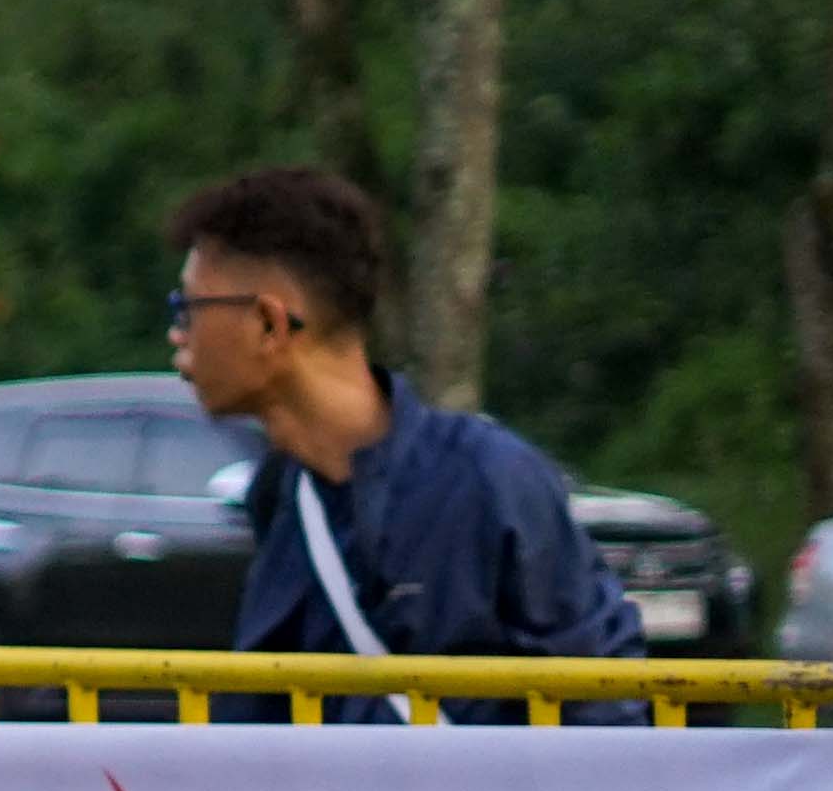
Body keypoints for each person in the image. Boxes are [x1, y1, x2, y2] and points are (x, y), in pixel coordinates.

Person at [168, 165, 636, 687]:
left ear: (268, 324)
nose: (176, 334)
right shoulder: (280, 495)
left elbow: (603, 700)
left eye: (187, 308)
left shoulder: (490, 481)